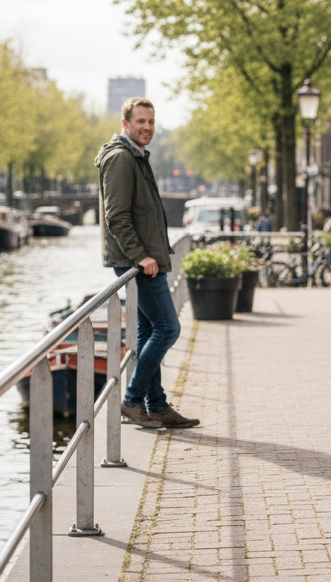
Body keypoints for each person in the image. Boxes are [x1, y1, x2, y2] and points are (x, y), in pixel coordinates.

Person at [96, 97, 199, 429]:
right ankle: (132, 399)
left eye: (151, 122)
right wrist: (140, 256)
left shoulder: (135, 156)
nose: (147, 128)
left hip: (146, 258)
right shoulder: (121, 159)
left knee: (149, 330)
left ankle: (156, 405)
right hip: (138, 261)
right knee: (168, 328)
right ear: (125, 124)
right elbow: (117, 217)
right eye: (140, 121)